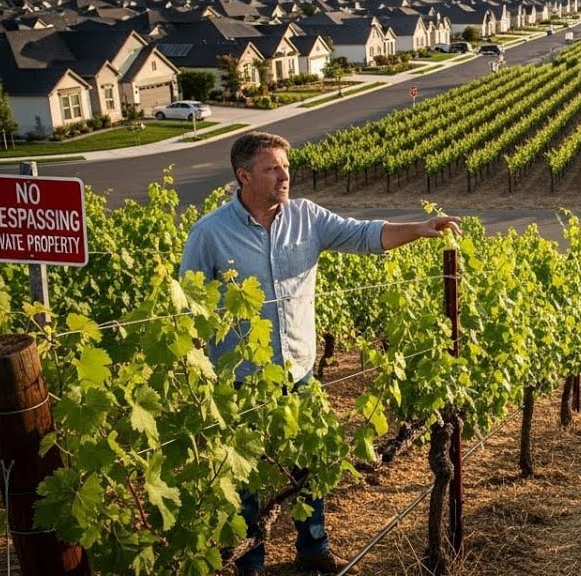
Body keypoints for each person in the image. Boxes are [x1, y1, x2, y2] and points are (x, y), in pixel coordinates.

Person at [180, 131, 461, 576]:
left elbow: (366, 235)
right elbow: (189, 304)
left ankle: (313, 550)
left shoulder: (306, 218)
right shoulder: (209, 233)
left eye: (285, 167)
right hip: (240, 380)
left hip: (299, 371)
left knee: (312, 462)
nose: (284, 176)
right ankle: (249, 562)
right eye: (272, 168)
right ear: (244, 175)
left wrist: (420, 229)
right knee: (244, 478)